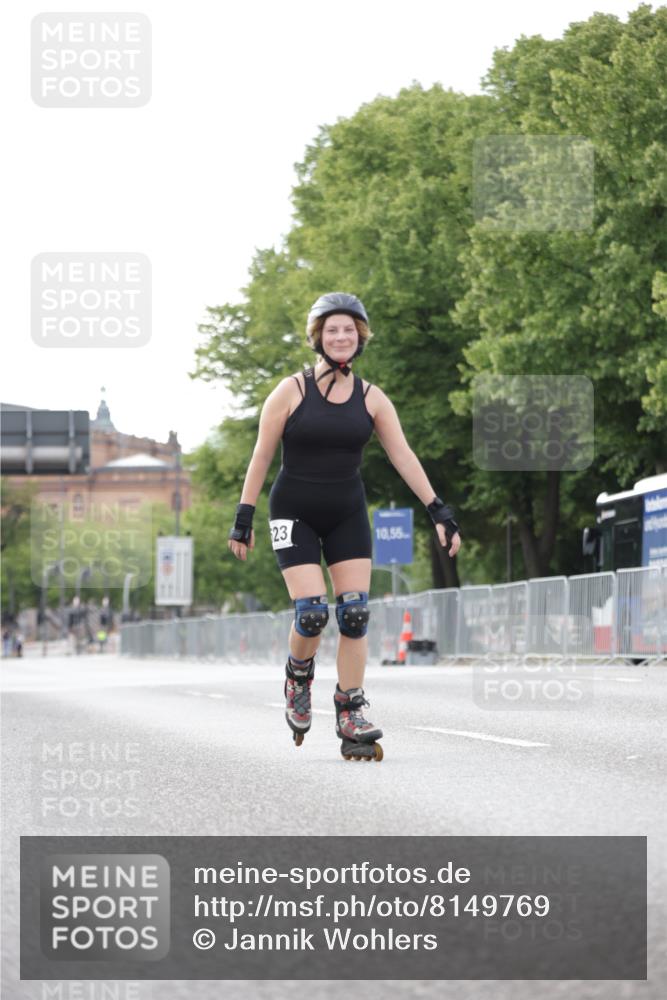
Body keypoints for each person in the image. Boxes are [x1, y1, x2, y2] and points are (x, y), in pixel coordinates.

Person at [228, 292, 461, 761]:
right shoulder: (290, 391)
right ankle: (298, 676)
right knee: (311, 612)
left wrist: (439, 509)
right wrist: (244, 514)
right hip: (292, 511)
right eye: (332, 330)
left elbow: (403, 456)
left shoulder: (372, 398)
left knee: (354, 613)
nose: (341, 337)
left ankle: (349, 708)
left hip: (346, 510)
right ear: (318, 337)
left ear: (360, 338)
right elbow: (262, 455)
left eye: (349, 330)